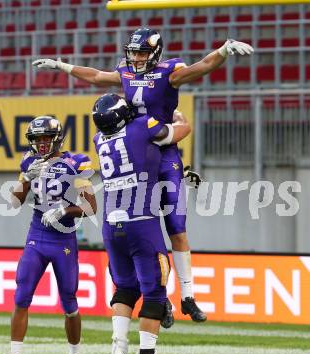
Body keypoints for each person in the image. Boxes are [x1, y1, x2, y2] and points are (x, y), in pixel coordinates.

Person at [33, 28, 254, 326]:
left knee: (176, 224)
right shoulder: (125, 71)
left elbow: (201, 67)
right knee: (141, 224)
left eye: (142, 53)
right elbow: (98, 77)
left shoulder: (169, 72)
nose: (136, 58)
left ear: (156, 53)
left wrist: (224, 50)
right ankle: (160, 299)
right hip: (134, 149)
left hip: (163, 148)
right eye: (133, 52)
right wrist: (64, 66)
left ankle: (187, 296)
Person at [92, 93, 191, 354]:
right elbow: (179, 132)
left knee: (125, 288)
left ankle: (118, 348)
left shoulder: (99, 139)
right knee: (155, 291)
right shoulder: (140, 127)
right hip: (141, 220)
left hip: (111, 224)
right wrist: (182, 119)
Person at [0, 116, 97, 354]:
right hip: (37, 234)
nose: (41, 144)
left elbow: (91, 206)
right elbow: (15, 201)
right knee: (22, 293)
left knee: (69, 301)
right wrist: (25, 179)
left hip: (63, 237)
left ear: (57, 138)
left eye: (46, 138)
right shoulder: (29, 162)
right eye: (37, 139)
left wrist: (63, 209)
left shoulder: (76, 162)